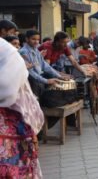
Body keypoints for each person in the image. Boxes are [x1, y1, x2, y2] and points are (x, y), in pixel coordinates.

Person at [0, 37, 44, 178]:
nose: (36, 41)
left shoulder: (10, 53)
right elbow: (7, 86)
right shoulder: (12, 53)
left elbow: (42, 69)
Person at [19, 30, 66, 98]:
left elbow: (45, 65)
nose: (36, 42)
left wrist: (58, 76)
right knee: (34, 100)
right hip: (31, 80)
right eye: (33, 39)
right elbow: (30, 72)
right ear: (27, 39)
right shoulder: (24, 52)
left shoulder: (35, 49)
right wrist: (46, 81)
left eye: (38, 39)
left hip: (38, 78)